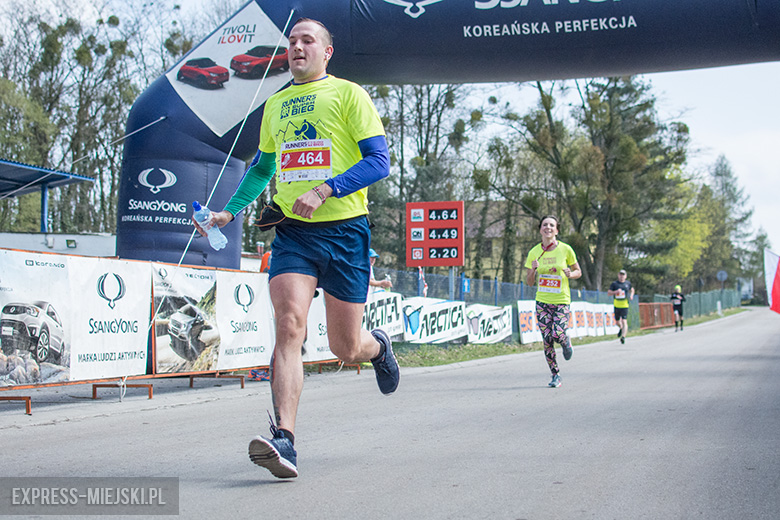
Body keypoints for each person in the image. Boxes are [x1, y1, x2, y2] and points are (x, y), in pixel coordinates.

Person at [192, 18, 399, 479]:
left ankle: (378, 348)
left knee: (346, 347)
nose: (297, 47)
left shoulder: (348, 94)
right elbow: (263, 169)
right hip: (293, 233)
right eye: (292, 41)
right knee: (289, 325)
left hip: (346, 231)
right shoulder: (276, 104)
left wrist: (325, 190)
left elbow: (379, 162)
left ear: (327, 52)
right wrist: (228, 212)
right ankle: (284, 437)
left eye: (308, 41)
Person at [524, 215, 582, 388]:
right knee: (547, 339)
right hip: (542, 301)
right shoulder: (534, 252)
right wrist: (533, 270)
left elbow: (578, 271)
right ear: (540, 229)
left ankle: (565, 342)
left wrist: (570, 274)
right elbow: (529, 282)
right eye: (544, 225)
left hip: (561, 301)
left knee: (557, 333)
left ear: (556, 230)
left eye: (551, 225)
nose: (548, 227)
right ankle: (555, 375)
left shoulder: (566, 249)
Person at [608, 269, 634, 344]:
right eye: (620, 274)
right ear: (618, 275)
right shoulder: (614, 284)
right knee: (617, 322)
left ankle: (623, 337)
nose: (621, 276)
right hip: (617, 304)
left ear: (625, 276)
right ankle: (621, 328)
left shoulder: (627, 283)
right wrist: (615, 292)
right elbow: (609, 292)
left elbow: (632, 289)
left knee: (624, 321)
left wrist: (631, 295)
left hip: (625, 304)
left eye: (623, 275)